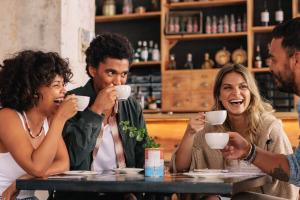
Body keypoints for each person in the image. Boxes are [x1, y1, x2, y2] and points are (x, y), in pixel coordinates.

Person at [170, 64, 298, 199]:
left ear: (251, 93)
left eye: (243, 87)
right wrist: (189, 132)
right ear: (218, 95)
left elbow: (287, 182)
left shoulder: (270, 127)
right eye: (227, 87)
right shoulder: (210, 128)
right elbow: (179, 169)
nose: (236, 93)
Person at [52, 33, 148, 200]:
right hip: (81, 195)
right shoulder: (71, 102)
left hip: (124, 194)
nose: (118, 82)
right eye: (111, 73)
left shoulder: (131, 106)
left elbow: (142, 154)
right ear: (92, 69)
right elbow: (72, 161)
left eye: (124, 74)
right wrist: (96, 111)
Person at [222, 17, 300, 194]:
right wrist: (248, 151)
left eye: (273, 59)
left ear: (296, 60)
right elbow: (297, 170)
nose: (268, 65)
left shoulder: (270, 126)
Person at [0, 50, 77, 200]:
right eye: (56, 85)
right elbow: (37, 167)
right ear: (32, 90)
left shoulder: (47, 121)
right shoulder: (6, 117)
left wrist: (24, 179)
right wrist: (60, 119)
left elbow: (63, 163)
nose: (64, 91)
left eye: (63, 84)